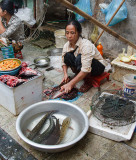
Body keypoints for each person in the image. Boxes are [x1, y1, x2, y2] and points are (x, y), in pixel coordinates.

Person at [60, 19, 106, 93]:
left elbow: (86, 69)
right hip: (84, 64)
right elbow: (63, 61)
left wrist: (70, 84)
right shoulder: (67, 45)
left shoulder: (86, 45)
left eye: (72, 33)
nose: (69, 36)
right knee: (67, 56)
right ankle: (79, 74)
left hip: (98, 67)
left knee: (79, 58)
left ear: (79, 32)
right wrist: (65, 74)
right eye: (67, 33)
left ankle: (88, 81)